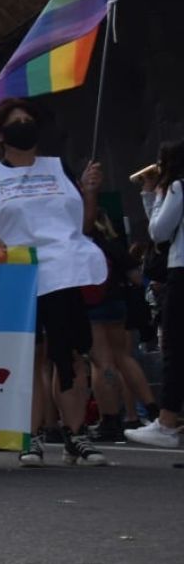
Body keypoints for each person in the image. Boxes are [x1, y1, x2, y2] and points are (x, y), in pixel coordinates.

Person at [0, 98, 107, 467]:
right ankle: (31, 437)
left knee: (69, 355)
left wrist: (89, 191)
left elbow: (82, 226)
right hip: (19, 275)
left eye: (28, 120)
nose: (23, 125)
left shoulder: (58, 169)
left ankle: (75, 436)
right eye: (15, 121)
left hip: (63, 273)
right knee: (31, 358)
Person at [126, 140, 184, 447]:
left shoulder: (177, 187)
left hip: (181, 268)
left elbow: (159, 232)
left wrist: (153, 194)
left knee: (174, 347)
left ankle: (167, 422)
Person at [85, 214, 157, 442]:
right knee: (124, 357)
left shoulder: (81, 243)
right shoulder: (112, 244)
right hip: (117, 303)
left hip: (92, 303)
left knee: (101, 362)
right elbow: (136, 276)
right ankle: (152, 409)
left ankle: (110, 418)